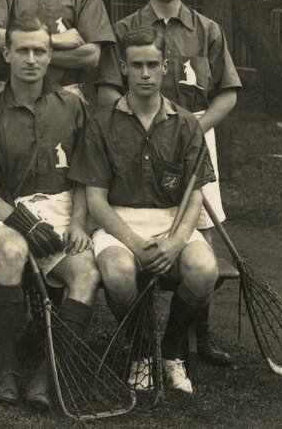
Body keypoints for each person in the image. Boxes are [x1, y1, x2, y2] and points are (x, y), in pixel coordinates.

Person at [95, 0, 241, 365]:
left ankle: (200, 340)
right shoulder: (123, 29)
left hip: (193, 131)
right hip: (134, 132)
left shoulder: (206, 28)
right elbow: (107, 90)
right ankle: (142, 343)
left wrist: (190, 128)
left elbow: (227, 93)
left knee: (200, 236)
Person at [69, 27, 219, 394]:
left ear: (166, 66)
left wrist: (176, 241)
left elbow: (195, 195)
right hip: (119, 222)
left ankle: (170, 353)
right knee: (118, 274)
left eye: (153, 64)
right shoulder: (101, 124)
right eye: (137, 65)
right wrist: (135, 243)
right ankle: (139, 352)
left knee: (205, 270)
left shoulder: (185, 123)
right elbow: (96, 201)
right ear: (123, 67)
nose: (146, 74)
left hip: (172, 221)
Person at [0, 14, 99, 409]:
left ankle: (48, 373)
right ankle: (7, 370)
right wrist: (21, 221)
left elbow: (82, 178)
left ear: (50, 55)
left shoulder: (74, 106)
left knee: (86, 274)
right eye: (22, 50)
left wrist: (78, 223)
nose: (31, 59)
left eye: (40, 50)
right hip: (6, 211)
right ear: (6, 53)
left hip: (61, 209)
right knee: (11, 253)